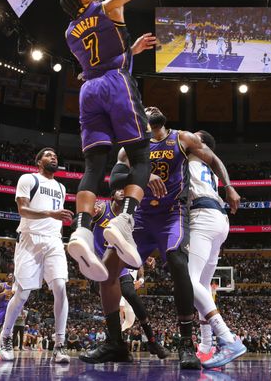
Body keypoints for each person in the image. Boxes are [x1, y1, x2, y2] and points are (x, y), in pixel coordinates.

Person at [87, 107, 238, 369]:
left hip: (172, 215)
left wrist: (229, 186)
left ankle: (186, 345)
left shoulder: (182, 138)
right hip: (142, 217)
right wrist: (144, 176)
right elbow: (115, 179)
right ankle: (115, 343)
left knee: (178, 262)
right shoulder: (130, 148)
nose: (151, 109)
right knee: (107, 271)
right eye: (145, 108)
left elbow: (214, 159)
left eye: (154, 108)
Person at [61, 0, 161, 281]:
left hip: (88, 90)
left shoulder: (70, 32)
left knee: (93, 166)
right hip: (115, 83)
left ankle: (83, 230)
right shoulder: (107, 4)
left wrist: (128, 50)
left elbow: (98, 58)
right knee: (140, 155)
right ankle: (125, 219)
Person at [0, 148, 71, 363]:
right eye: (48, 155)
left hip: (54, 241)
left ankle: (59, 345)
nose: (54, 157)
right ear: (39, 162)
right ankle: (6, 336)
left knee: (60, 286)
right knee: (21, 293)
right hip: (30, 239)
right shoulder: (28, 179)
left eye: (55, 155)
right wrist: (50, 214)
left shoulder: (61, 187)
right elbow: (23, 210)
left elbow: (57, 218)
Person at [185, 129, 246, 368]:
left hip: (203, 215)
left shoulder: (191, 157)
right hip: (218, 220)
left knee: (189, 283)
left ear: (201, 144)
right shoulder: (207, 165)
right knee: (202, 288)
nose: (187, 137)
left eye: (194, 136)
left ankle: (227, 338)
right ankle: (206, 346)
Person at [91, 190, 168, 358]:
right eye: (118, 189)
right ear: (111, 195)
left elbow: (135, 243)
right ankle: (116, 343)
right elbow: (83, 217)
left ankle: (152, 341)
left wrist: (145, 259)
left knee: (131, 294)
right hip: (100, 264)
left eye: (125, 190)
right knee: (111, 306)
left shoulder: (130, 217)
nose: (122, 192)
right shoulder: (102, 208)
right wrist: (90, 212)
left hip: (118, 263)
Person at [0, 273, 14, 345]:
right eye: (10, 275)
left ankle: (5, 344)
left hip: (10, 310)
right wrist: (3, 293)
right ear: (7, 277)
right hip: (1, 308)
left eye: (13, 276)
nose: (11, 277)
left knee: (8, 328)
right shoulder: (2, 285)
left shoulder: (15, 287)